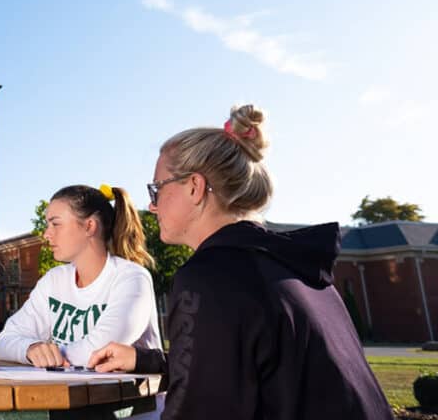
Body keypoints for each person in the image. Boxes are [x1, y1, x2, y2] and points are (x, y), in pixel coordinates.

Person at [89, 105, 392, 419]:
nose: (151, 207)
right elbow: (244, 361)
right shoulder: (296, 268)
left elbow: (199, 409)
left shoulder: (210, 277)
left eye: (157, 189)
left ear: (194, 186)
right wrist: (147, 361)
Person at [0, 184, 162, 367]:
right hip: (75, 393)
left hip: (133, 395)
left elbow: (97, 352)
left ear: (89, 226)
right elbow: (3, 341)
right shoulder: (54, 280)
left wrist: (50, 355)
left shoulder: (132, 278)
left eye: (56, 224)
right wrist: (31, 349)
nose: (46, 234)